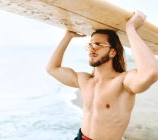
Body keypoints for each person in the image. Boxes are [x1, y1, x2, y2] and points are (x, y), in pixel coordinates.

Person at [46, 11, 158, 140]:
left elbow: (151, 72)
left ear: (112, 52)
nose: (92, 48)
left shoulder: (123, 82)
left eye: (98, 44)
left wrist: (130, 28)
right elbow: (52, 68)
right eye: (90, 44)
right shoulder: (84, 79)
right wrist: (68, 36)